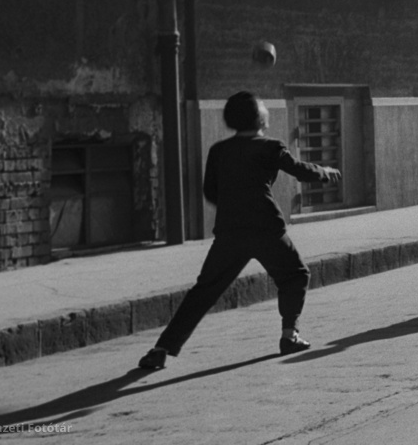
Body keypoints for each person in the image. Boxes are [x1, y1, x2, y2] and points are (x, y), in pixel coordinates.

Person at [137, 91, 341, 370]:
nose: (267, 111)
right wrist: (325, 172)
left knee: (204, 290)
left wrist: (235, 205)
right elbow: (299, 170)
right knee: (296, 275)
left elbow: (210, 191)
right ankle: (288, 335)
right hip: (265, 227)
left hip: (230, 230)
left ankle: (161, 349)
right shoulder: (271, 146)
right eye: (263, 108)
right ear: (259, 118)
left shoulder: (218, 150)